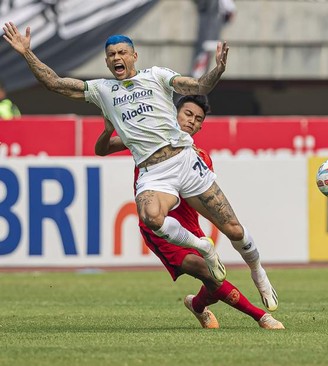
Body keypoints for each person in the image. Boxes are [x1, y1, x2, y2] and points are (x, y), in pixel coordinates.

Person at [2, 22, 279, 312]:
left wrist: (218, 71)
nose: (117, 58)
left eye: (122, 52)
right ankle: (203, 246)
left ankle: (258, 271)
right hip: (153, 172)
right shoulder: (102, 90)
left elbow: (196, 86)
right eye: (111, 55)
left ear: (135, 56)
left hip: (184, 160)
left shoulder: (156, 76)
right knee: (151, 217)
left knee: (234, 230)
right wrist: (26, 53)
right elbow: (56, 83)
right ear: (107, 61)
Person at [95, 95, 283, 329]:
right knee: (208, 272)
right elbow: (101, 150)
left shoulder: (201, 158)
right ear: (174, 114)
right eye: (187, 114)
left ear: (201, 126)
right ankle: (261, 317)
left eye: (198, 119)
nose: (191, 121)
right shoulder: (150, 138)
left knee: (215, 280)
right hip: (162, 229)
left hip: (190, 227)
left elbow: (203, 201)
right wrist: (107, 131)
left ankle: (197, 305)